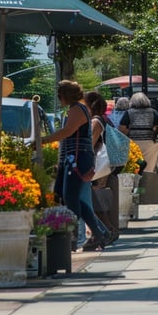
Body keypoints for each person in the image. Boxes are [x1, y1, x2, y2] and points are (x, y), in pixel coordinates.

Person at [41, 80, 112, 250]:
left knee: (70, 198)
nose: (59, 99)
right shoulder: (78, 109)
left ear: (66, 95)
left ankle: (74, 237)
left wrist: (44, 140)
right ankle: (99, 233)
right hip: (74, 158)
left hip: (78, 159)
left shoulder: (76, 110)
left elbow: (67, 132)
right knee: (71, 198)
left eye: (60, 95)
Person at [84, 90, 120, 244]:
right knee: (93, 197)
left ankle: (107, 230)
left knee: (93, 197)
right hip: (106, 164)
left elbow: (89, 145)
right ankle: (102, 231)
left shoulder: (95, 122)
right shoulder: (104, 119)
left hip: (99, 164)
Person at [119, 92, 158, 173]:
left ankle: (136, 183)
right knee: (148, 168)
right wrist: (154, 130)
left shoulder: (129, 112)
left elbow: (122, 129)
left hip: (133, 143)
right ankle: (147, 183)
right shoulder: (153, 112)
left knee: (135, 167)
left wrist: (130, 132)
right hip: (149, 143)